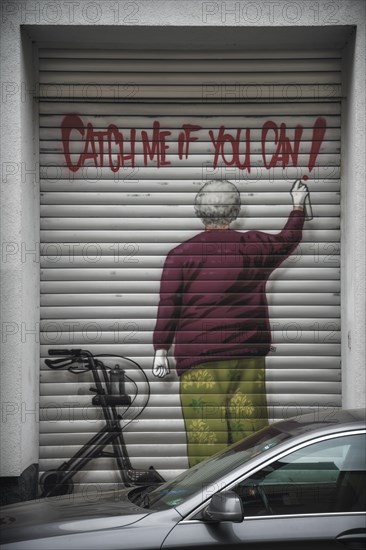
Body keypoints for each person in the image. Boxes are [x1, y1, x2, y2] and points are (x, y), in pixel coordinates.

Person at [152, 179, 309, 466]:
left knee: (206, 437)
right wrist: (297, 205)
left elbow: (169, 303)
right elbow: (288, 239)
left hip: (200, 358)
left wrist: (160, 349)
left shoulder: (180, 256)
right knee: (250, 437)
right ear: (235, 210)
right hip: (247, 356)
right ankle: (246, 496)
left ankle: (205, 501)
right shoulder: (254, 246)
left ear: (200, 212)